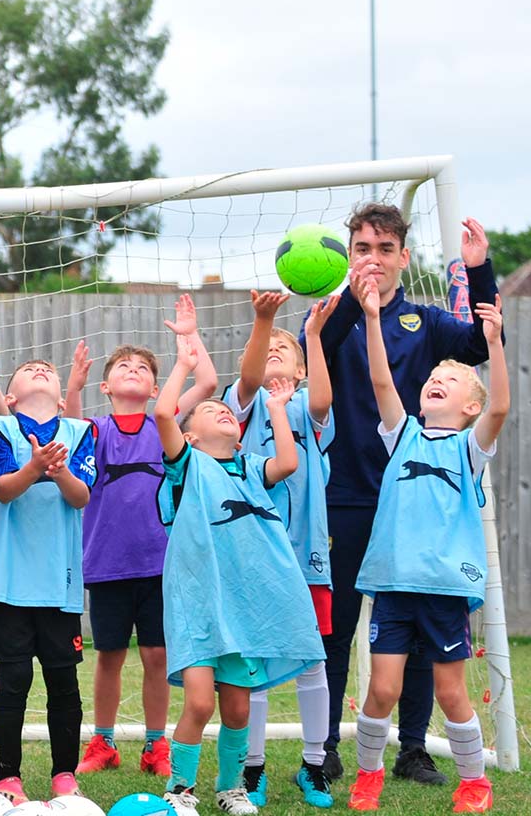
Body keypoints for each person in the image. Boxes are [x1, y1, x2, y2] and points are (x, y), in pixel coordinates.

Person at [307, 204, 498, 785]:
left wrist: (479, 271)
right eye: (362, 248)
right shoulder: (330, 316)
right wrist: (350, 297)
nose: (373, 259)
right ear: (349, 256)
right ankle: (325, 748)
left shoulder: (427, 322)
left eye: (384, 250)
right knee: (335, 627)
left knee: (415, 633)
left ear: (403, 258)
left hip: (416, 509)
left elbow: (483, 345)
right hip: (342, 494)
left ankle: (413, 749)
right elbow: (320, 350)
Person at [347, 291, 509, 814]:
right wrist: (372, 317)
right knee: (382, 691)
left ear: (470, 407)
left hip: (445, 591)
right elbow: (379, 380)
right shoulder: (403, 437)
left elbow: (501, 405)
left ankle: (473, 784)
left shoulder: (470, 448)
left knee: (451, 693)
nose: (438, 379)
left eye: (454, 379)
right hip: (394, 586)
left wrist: (493, 345)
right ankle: (367, 776)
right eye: (434, 377)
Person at [154, 343, 324, 816]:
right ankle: (180, 787)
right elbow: (165, 413)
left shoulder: (250, 467)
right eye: (211, 411)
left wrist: (277, 409)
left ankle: (231, 788)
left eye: (227, 409)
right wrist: (185, 365)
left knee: (238, 712)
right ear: (191, 438)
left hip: (244, 610)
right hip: (198, 603)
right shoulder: (188, 466)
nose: (223, 412)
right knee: (200, 705)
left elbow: (287, 464)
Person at [63, 295, 218, 782]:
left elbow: (208, 382)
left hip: (160, 565)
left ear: (155, 388)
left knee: (157, 656)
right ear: (106, 386)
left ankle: (156, 745)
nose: (133, 370)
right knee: (109, 656)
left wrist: (187, 338)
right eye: (123, 366)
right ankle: (104, 741)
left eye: (143, 368)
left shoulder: (165, 424)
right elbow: (67, 431)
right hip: (106, 564)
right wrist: (73, 386)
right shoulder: (96, 428)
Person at [225, 293, 338, 809]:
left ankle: (314, 766)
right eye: (264, 347)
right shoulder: (240, 408)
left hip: (307, 555)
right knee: (256, 665)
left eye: (283, 347)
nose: (273, 349)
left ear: (300, 366)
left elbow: (320, 401)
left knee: (312, 661)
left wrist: (311, 335)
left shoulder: (307, 406)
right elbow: (248, 381)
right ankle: (253, 770)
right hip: (254, 557)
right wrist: (264, 323)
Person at [0, 359, 95, 805]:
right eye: (27, 369)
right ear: (10, 396)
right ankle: (8, 777)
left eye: (48, 369)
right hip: (9, 585)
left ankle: (64, 774)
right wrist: (35, 466)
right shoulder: (0, 429)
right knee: (14, 680)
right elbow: (2, 490)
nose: (40, 370)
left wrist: (59, 471)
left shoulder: (81, 433)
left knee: (64, 683)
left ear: (63, 399)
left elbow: (80, 496)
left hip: (59, 587)